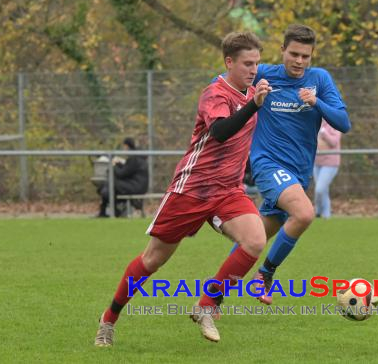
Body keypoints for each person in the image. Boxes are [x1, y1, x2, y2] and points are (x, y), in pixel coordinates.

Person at [94, 31, 271, 345]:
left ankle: (206, 305)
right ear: (229, 62)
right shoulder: (216, 93)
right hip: (192, 189)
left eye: (257, 63)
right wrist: (254, 106)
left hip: (228, 191)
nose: (254, 70)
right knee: (152, 261)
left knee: (255, 240)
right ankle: (109, 319)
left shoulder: (252, 89)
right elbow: (220, 132)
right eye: (247, 63)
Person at [239, 24, 351, 304]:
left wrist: (316, 103)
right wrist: (250, 99)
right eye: (294, 54)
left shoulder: (319, 80)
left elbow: (344, 123)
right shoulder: (262, 74)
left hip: (299, 172)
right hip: (267, 163)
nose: (299, 61)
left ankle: (211, 297)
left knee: (255, 237)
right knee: (303, 214)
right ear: (282, 51)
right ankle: (265, 274)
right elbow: (224, 83)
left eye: (306, 56)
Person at [96, 137, 149, 217]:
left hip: (135, 187)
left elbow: (122, 174)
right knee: (109, 186)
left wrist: (113, 165)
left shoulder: (134, 158)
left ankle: (109, 211)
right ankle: (111, 211)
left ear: (127, 146)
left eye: (124, 147)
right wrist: (118, 164)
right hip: (138, 186)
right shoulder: (137, 158)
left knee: (110, 184)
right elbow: (127, 170)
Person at [313, 119, 342, 219]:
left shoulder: (334, 124)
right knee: (323, 190)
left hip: (330, 163)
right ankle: (325, 215)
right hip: (316, 163)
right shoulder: (315, 123)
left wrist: (324, 133)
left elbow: (334, 142)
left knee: (319, 189)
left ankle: (320, 211)